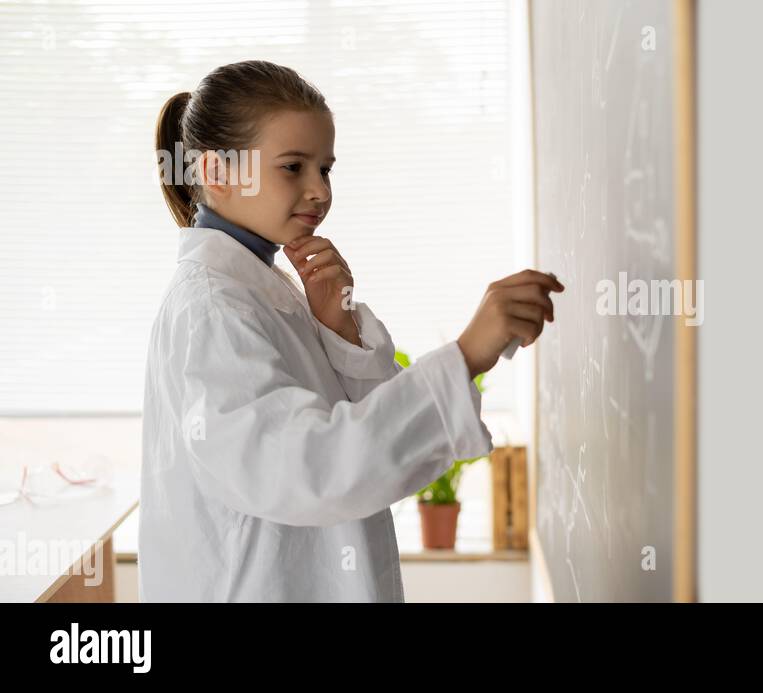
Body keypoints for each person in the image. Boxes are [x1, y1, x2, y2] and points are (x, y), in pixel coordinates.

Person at [141, 60, 563, 601]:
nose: (319, 191)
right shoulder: (211, 311)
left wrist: (336, 328)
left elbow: (368, 439)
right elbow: (309, 468)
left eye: (326, 169)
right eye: (293, 167)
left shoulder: (269, 291)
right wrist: (466, 355)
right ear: (219, 175)